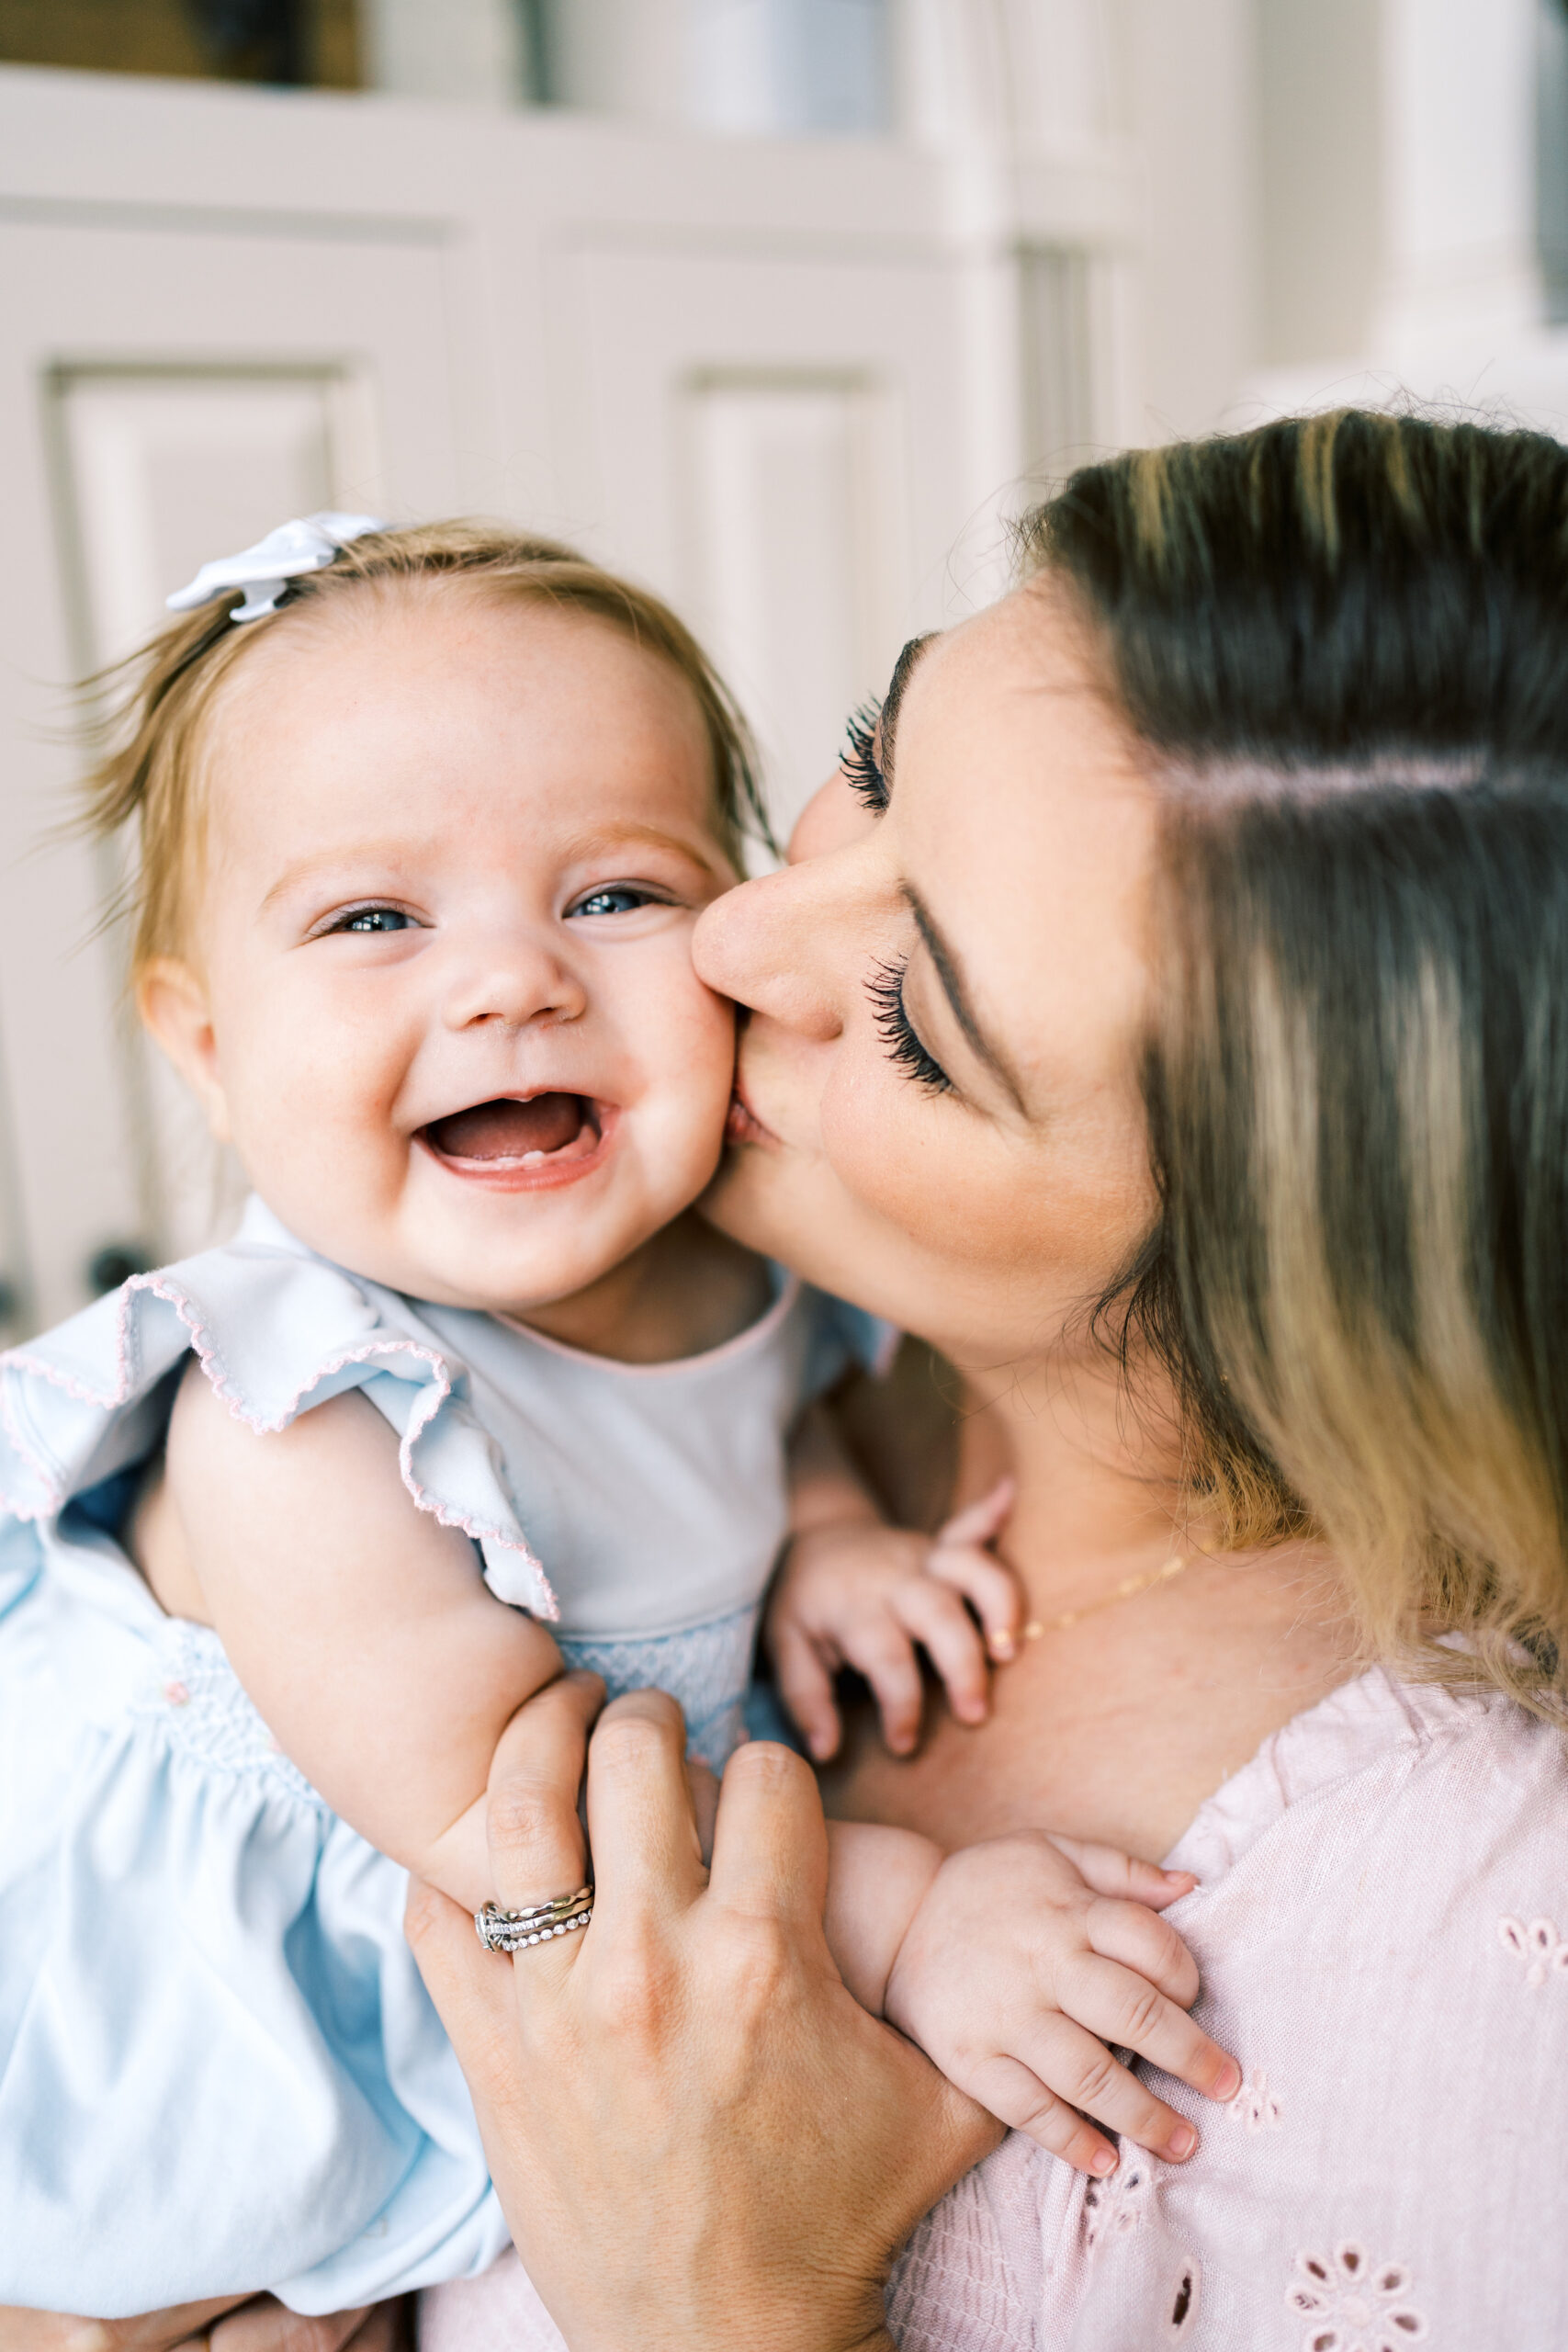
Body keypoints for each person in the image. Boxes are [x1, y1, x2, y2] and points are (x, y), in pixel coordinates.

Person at [402, 410, 1568, 2350]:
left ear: (1299, 1301)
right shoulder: (626, 1294)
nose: (730, 931)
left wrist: (727, 2304)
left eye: (921, 1031)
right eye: (866, 763)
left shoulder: (1459, 1946)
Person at [0, 521, 1235, 2320]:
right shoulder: (297, 1420)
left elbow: (759, 1399)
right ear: (202, 1045)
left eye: (612, 894)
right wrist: (906, 1914)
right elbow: (534, 1825)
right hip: (210, 2029)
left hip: (513, 1997)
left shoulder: (732, 1253)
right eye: (373, 919)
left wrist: (820, 1533)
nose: (512, 982)